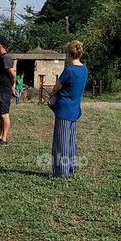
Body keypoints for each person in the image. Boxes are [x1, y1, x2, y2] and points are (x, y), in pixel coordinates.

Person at [49, 39, 88, 178]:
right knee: (71, 142)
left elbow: (57, 86)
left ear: (68, 54)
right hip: (75, 110)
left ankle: (61, 172)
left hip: (64, 110)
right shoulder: (84, 70)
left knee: (61, 142)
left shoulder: (69, 70)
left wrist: (52, 95)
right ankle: (71, 168)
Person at [0, 36, 17, 143]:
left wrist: (12, 86)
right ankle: (0, 137)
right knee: (1, 114)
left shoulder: (5, 58)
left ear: (0, 45)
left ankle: (4, 138)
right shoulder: (2, 57)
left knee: (4, 114)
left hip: (3, 90)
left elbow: (12, 74)